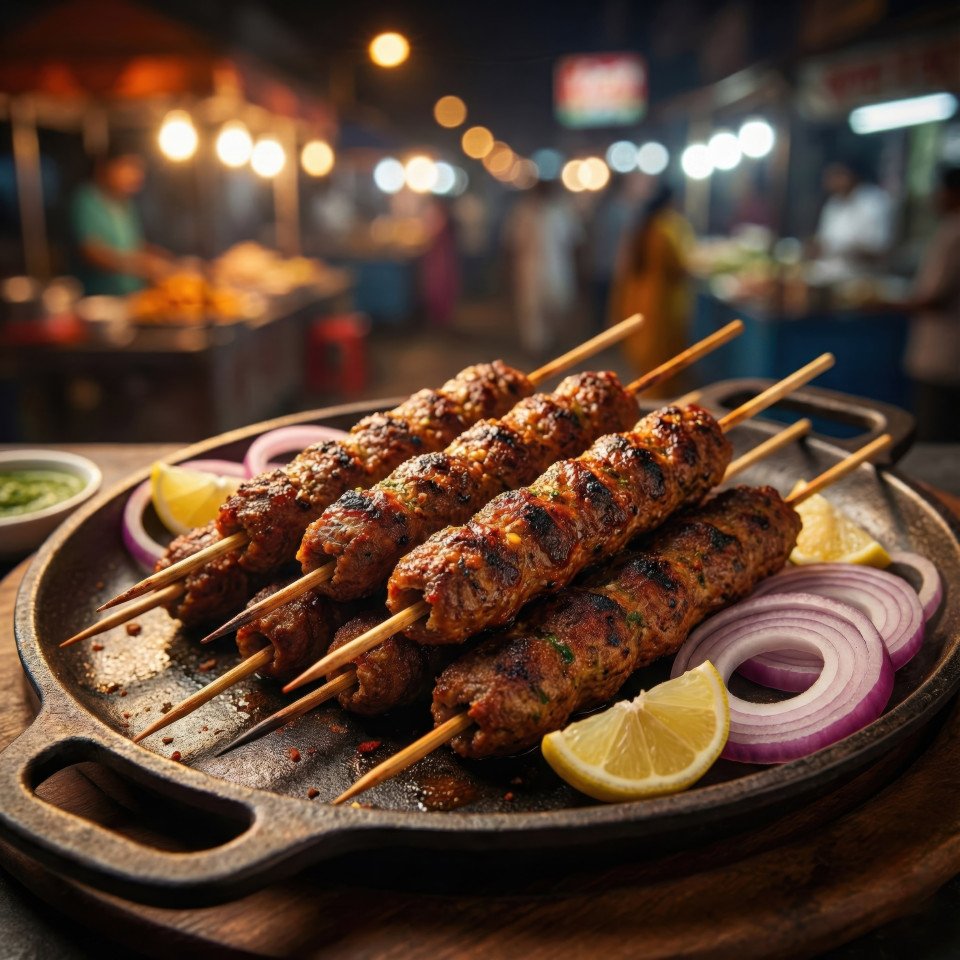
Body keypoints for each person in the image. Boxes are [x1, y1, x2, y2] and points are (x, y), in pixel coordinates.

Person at [883, 167, 960, 441]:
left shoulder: (954, 233)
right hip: (941, 354)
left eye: (939, 191)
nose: (934, 198)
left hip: (944, 355)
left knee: (937, 433)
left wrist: (888, 304)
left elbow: (934, 298)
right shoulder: (948, 229)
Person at [609, 184, 694, 397]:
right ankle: (656, 401)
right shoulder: (666, 229)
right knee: (661, 358)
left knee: (646, 356)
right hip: (661, 303)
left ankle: (650, 395)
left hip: (640, 297)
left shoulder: (645, 225)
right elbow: (678, 265)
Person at [71, 146, 170, 296]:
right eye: (129, 166)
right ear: (106, 168)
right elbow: (91, 252)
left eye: (139, 168)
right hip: (101, 300)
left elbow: (132, 245)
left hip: (132, 296)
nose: (137, 175)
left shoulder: (127, 204)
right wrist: (141, 266)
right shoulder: (86, 200)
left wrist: (157, 258)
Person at [505, 179, 582, 358]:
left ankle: (556, 345)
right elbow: (511, 243)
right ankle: (536, 350)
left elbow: (576, 242)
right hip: (529, 268)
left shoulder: (563, 211)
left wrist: (580, 271)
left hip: (558, 267)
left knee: (559, 305)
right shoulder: (523, 211)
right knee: (531, 310)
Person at [813, 161, 893, 281]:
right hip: (828, 273)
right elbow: (822, 242)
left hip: (862, 277)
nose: (832, 182)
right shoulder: (833, 204)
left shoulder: (874, 202)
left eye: (837, 175)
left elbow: (879, 251)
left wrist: (846, 250)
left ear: (851, 175)